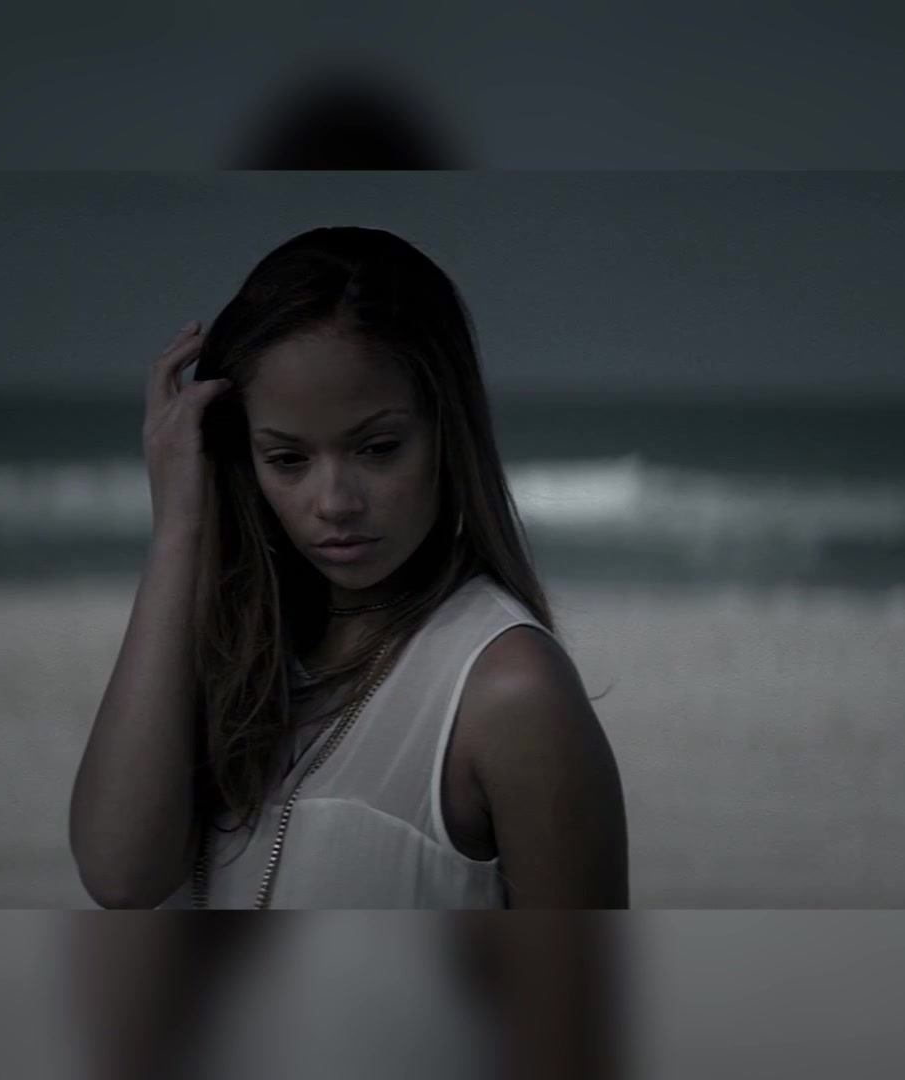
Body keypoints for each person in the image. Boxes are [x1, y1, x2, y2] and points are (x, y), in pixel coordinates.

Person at [69, 226, 629, 909]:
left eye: (378, 448)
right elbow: (120, 875)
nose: (334, 503)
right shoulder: (231, 652)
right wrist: (179, 527)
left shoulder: (510, 693)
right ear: (240, 458)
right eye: (287, 459)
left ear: (448, 431)